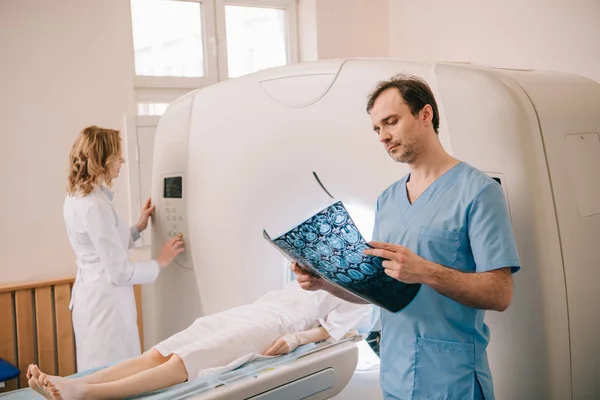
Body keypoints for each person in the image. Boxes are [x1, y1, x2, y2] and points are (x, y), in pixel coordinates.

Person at [292, 74, 521, 400]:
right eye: (377, 129)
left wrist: (425, 270)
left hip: (452, 379)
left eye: (391, 122)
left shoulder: (479, 192)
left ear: (425, 115)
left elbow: (501, 294)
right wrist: (323, 282)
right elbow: (380, 292)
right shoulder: (387, 199)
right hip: (395, 375)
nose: (383, 136)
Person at [26, 280, 375, 400]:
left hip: (274, 325)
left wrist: (294, 340)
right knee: (162, 351)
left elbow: (330, 331)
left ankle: (87, 394)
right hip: (252, 311)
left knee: (187, 360)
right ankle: (76, 382)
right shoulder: (316, 268)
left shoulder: (360, 292)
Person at [63, 126, 185, 372]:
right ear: (103, 160)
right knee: (113, 374)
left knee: (97, 371)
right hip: (106, 306)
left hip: (92, 297)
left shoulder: (77, 197)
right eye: (118, 156)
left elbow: (103, 244)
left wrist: (139, 226)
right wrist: (161, 261)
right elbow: (119, 271)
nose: (122, 161)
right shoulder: (94, 205)